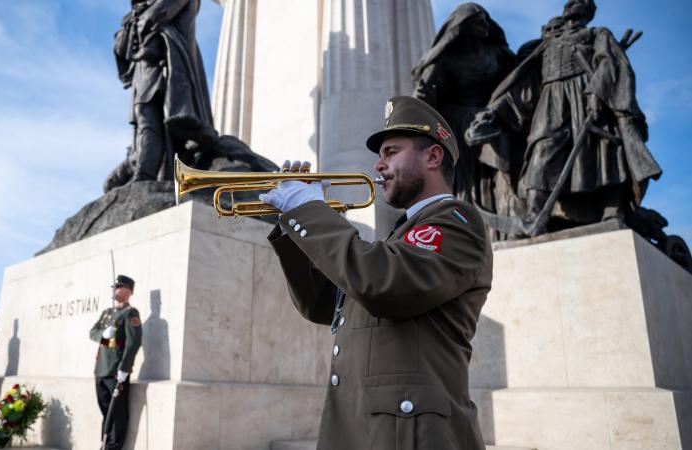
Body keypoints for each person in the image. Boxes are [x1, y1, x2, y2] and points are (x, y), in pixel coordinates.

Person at [260, 96, 493, 449]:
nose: (378, 165)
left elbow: (382, 284)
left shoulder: (456, 221)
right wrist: (294, 224)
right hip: (365, 430)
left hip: (413, 436)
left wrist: (310, 212)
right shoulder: (400, 237)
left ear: (432, 157)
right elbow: (322, 304)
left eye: (391, 152)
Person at [467, 0, 661, 230]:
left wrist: (597, 92)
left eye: (579, 2)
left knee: (603, 150)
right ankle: (533, 214)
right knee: (542, 149)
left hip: (588, 94)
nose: (571, 4)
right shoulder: (547, 44)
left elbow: (611, 63)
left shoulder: (597, 33)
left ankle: (612, 210)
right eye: (569, 2)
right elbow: (524, 82)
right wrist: (495, 112)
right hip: (552, 100)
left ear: (589, 12)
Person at [412, 2, 515, 211]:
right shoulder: (446, 59)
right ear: (465, 27)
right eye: (479, 22)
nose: (485, 25)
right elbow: (425, 98)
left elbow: (517, 78)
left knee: (507, 163)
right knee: (466, 179)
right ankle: (471, 219)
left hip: (492, 116)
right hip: (459, 123)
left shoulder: (497, 53)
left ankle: (510, 210)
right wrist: (423, 93)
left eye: (486, 20)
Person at [105, 0, 215, 191]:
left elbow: (153, 17)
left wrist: (137, 19)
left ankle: (145, 175)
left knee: (150, 120)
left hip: (163, 69)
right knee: (145, 122)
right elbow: (123, 47)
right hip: (145, 71)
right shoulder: (139, 11)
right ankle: (152, 172)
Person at [89, 275, 143, 450]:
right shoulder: (107, 313)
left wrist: (125, 368)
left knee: (117, 413)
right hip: (101, 369)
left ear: (127, 292)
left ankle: (112, 448)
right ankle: (105, 444)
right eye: (114, 287)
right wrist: (104, 335)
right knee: (106, 411)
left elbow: (133, 342)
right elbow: (92, 333)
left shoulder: (130, 313)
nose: (114, 290)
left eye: (118, 287)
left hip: (115, 371)